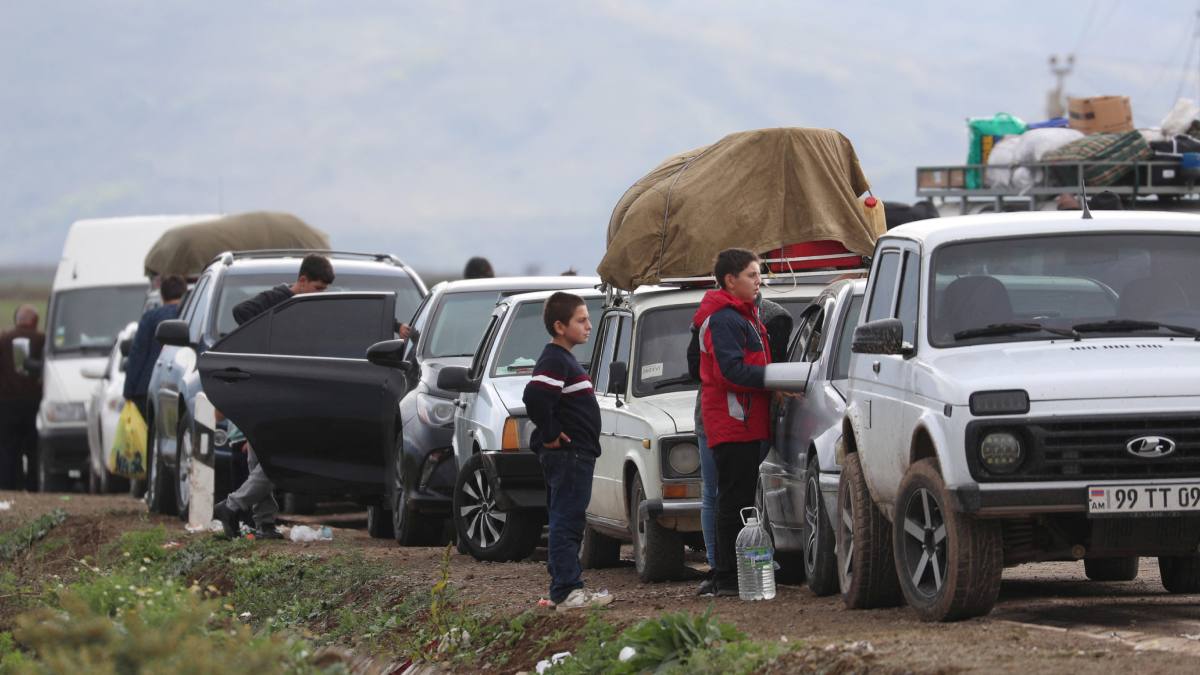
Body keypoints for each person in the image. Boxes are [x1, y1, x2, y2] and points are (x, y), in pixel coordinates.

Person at [215, 254, 336, 539]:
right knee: (276, 458)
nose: (321, 295)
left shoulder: (312, 308)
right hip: (271, 391)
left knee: (260, 459)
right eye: (318, 288)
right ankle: (232, 506)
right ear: (302, 280)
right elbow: (242, 312)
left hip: (282, 391)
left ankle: (264, 522)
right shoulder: (279, 299)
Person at [688, 290, 790, 595]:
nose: (757, 282)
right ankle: (727, 570)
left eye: (758, 274)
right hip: (731, 416)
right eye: (751, 274)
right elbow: (724, 371)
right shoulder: (724, 318)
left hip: (741, 416)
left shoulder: (768, 316)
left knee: (730, 495)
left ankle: (735, 567)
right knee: (727, 496)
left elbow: (698, 367)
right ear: (732, 280)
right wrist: (768, 378)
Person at [522, 292, 613, 611]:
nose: (589, 325)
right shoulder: (555, 359)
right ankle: (568, 590)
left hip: (577, 455)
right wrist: (549, 433)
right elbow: (534, 396)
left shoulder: (563, 359)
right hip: (570, 456)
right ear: (560, 326)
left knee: (566, 517)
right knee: (567, 520)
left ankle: (561, 588)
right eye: (581, 320)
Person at [124, 275, 187, 420]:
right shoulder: (191, 313)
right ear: (185, 293)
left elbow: (137, 354)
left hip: (148, 389)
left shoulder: (150, 317)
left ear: (162, 295)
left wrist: (128, 392)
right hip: (181, 387)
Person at [0, 305, 44, 490]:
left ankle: (9, 485)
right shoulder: (42, 339)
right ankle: (33, 485)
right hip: (34, 402)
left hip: (6, 404)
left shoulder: (3, 339)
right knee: (33, 447)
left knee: (8, 448)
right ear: (35, 322)